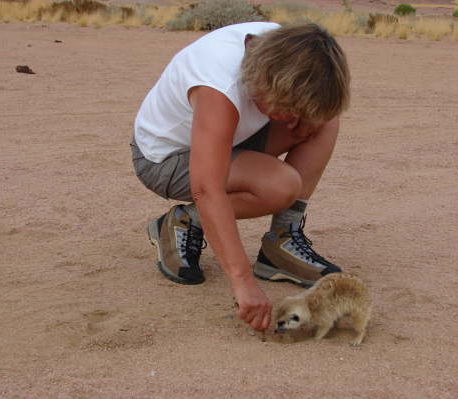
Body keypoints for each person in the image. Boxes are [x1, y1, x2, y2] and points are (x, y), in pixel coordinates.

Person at [131, 22, 350, 332]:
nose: (292, 120)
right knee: (279, 185)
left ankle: (281, 242)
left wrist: (306, 114)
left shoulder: (288, 48)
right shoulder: (218, 83)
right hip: (166, 159)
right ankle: (185, 220)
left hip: (233, 138)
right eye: (287, 109)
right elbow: (207, 189)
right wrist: (242, 281)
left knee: (324, 118)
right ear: (265, 80)